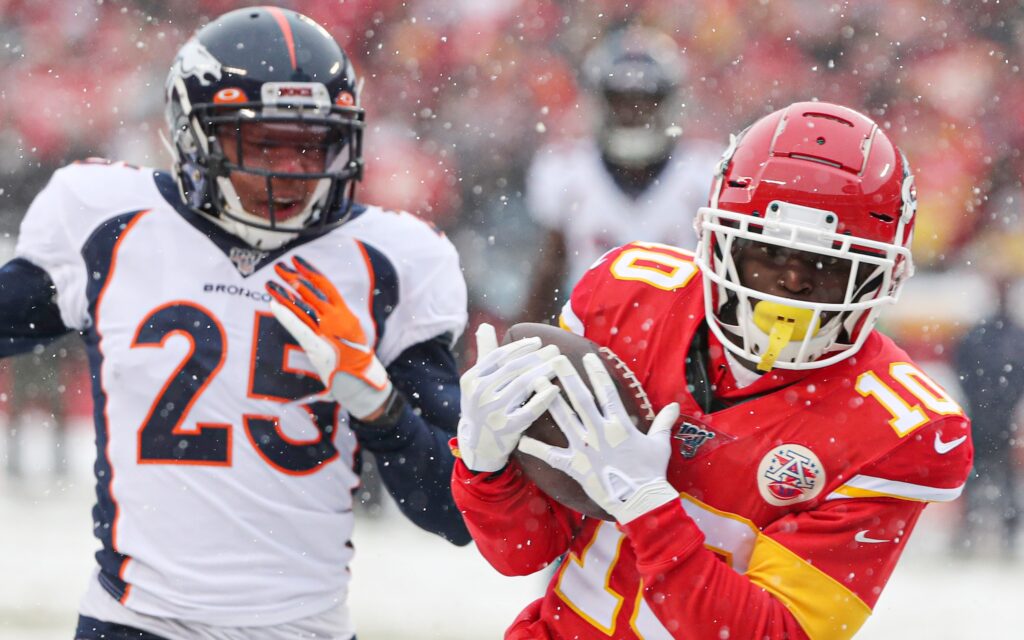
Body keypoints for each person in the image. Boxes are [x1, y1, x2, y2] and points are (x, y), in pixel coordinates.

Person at [3, 7, 469, 639]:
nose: (291, 171)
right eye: (261, 142)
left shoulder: (392, 263)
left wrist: (378, 406)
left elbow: (458, 510)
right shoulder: (109, 222)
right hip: (133, 621)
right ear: (195, 135)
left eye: (310, 144)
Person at [453, 102, 973, 639]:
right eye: (768, 251)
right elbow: (521, 551)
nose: (792, 280)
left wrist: (646, 505)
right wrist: (484, 470)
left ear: (880, 277)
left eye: (828, 263)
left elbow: (772, 635)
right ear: (720, 240)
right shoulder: (627, 298)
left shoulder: (900, 430)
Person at [522, 25, 721, 323]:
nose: (633, 112)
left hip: (679, 335)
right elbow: (549, 271)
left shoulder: (703, 171)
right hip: (588, 333)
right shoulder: (566, 171)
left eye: (646, 101)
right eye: (621, 101)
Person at [954, 275, 1023, 554]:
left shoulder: (1005, 334)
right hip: (986, 417)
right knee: (976, 477)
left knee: (998, 479)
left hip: (997, 417)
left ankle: (1003, 534)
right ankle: (969, 532)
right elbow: (964, 370)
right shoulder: (988, 334)